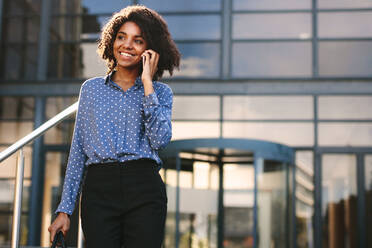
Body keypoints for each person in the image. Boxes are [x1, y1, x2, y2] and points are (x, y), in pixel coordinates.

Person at [48, 5, 180, 248]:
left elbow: (160, 140)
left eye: (137, 40)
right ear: (112, 41)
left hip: (144, 188)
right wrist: (64, 210)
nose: (127, 45)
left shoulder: (161, 92)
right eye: (121, 37)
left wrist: (147, 84)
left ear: (151, 49)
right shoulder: (92, 89)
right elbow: (78, 150)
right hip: (100, 188)